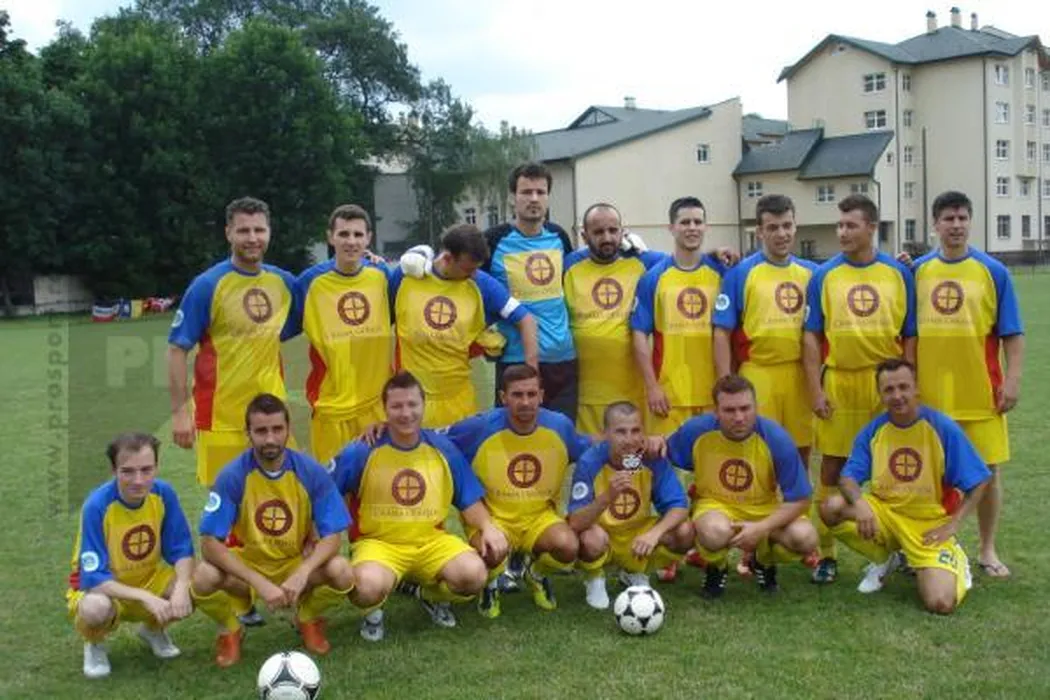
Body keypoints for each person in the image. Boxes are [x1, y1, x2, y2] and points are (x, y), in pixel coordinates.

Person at [328, 371, 505, 641]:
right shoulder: (362, 450)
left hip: (431, 542)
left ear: (424, 406)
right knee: (366, 588)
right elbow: (327, 494)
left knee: (474, 575)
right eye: (397, 406)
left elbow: (469, 501)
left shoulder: (444, 448)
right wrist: (319, 537)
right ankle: (373, 614)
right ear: (384, 409)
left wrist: (488, 527)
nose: (406, 413)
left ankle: (429, 595)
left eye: (412, 404)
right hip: (379, 544)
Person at [803, 194, 916, 584]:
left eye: (850, 225)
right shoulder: (824, 275)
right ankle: (827, 555)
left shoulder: (899, 273)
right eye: (839, 225)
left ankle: (901, 548)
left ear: (871, 227)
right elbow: (811, 336)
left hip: (885, 385)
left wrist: (909, 383)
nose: (842, 232)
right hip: (840, 381)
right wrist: (815, 390)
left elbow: (911, 334)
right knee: (832, 467)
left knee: (892, 468)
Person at [191, 394, 354, 664]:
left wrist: (302, 572)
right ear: (248, 434)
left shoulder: (311, 471)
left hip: (293, 563)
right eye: (261, 431)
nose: (270, 439)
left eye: (277, 429)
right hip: (249, 567)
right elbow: (209, 543)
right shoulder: (232, 476)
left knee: (343, 571)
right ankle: (231, 629)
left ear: (288, 430)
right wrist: (259, 583)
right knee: (203, 576)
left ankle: (307, 618)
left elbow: (333, 537)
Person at [819, 359, 991, 614]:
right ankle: (885, 557)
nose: (897, 396)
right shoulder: (874, 430)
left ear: (916, 388)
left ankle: (954, 562)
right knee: (831, 507)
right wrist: (860, 504)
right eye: (888, 390)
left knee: (940, 603)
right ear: (880, 395)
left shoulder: (941, 427)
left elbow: (979, 481)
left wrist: (954, 524)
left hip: (927, 525)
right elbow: (847, 478)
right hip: (886, 515)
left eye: (903, 387)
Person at [913, 191, 1025, 579]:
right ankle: (925, 545)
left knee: (988, 473)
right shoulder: (917, 271)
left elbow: (1012, 334)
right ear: (935, 224)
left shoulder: (994, 271)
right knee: (928, 475)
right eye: (948, 218)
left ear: (970, 221)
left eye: (962, 218)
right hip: (930, 395)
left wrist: (1012, 380)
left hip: (981, 392)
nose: (956, 225)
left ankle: (987, 549)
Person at [713, 194, 819, 578]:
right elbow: (721, 331)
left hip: (800, 375)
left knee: (800, 457)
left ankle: (798, 534)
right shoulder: (741, 273)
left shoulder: (812, 274)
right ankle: (750, 546)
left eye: (787, 225)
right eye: (772, 227)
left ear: (796, 226)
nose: (781, 234)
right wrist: (725, 382)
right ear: (759, 231)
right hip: (758, 373)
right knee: (760, 461)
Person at [167, 196, 300, 487]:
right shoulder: (207, 285)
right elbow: (177, 349)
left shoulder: (285, 283)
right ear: (228, 233)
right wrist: (179, 413)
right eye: (243, 231)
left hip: (273, 419)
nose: (252, 238)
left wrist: (369, 262)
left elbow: (327, 288)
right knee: (226, 503)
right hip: (221, 421)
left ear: (269, 232)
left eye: (259, 230)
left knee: (279, 498)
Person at [443, 364, 592, 617]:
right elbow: (433, 440)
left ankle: (536, 573)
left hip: (539, 518)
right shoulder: (480, 427)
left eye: (531, 394)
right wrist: (386, 431)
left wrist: (633, 441)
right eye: (517, 395)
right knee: (491, 551)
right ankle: (490, 584)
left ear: (541, 396)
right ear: (503, 397)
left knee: (568, 546)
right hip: (493, 520)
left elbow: (591, 450)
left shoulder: (559, 426)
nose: (525, 402)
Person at [666, 375, 817, 598]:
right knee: (714, 532)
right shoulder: (696, 431)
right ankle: (716, 567)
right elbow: (662, 456)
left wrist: (762, 527)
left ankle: (762, 561)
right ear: (716, 411)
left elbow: (800, 499)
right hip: (714, 506)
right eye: (729, 410)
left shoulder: (776, 438)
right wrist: (655, 443)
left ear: (756, 407)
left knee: (805, 537)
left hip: (763, 508)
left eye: (745, 408)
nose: (739, 417)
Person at [66, 433, 198, 678]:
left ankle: (153, 630)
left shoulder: (164, 494)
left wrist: (181, 586)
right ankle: (94, 643)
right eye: (128, 471)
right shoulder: (97, 506)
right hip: (105, 588)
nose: (139, 480)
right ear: (113, 470)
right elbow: (94, 579)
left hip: (147, 578)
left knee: (196, 584)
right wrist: (145, 597)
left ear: (157, 467)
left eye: (146, 470)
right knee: (95, 608)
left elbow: (181, 550)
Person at [391, 223, 538, 429]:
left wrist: (532, 375)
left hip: (459, 401)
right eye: (468, 269)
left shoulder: (481, 284)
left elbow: (526, 320)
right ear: (447, 258)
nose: (473, 274)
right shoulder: (406, 276)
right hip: (412, 401)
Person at [568, 402, 693, 609]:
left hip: (636, 534)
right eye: (621, 432)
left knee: (685, 531)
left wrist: (654, 534)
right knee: (590, 538)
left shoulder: (651, 458)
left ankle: (635, 571)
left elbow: (679, 507)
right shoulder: (590, 461)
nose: (629, 439)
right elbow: (575, 522)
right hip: (604, 536)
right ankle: (594, 577)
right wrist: (607, 497)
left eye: (635, 431)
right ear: (605, 433)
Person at [297, 204, 395, 464]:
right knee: (334, 485)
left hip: (377, 406)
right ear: (330, 237)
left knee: (377, 482)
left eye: (358, 234)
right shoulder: (309, 283)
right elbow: (278, 329)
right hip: (332, 409)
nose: (351, 241)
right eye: (343, 234)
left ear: (368, 238)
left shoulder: (382, 276)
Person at [483, 162, 580, 421]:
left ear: (548, 197)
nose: (534, 199)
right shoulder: (493, 240)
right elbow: (464, 277)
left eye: (541, 192)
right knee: (514, 436)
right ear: (513, 197)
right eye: (526, 192)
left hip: (562, 358)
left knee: (560, 437)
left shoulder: (559, 236)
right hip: (515, 361)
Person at [564, 203, 666, 435]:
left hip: (632, 392)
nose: (607, 238)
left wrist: (714, 255)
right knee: (592, 454)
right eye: (598, 232)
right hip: (586, 396)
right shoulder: (569, 265)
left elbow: (683, 262)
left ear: (623, 232)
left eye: (613, 230)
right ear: (584, 236)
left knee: (631, 453)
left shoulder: (644, 263)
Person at [631, 196, 727, 435]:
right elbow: (639, 335)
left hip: (713, 394)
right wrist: (652, 387)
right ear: (671, 228)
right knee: (667, 457)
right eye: (685, 222)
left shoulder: (723, 274)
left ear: (706, 227)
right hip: (668, 396)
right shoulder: (653, 278)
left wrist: (726, 388)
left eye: (698, 222)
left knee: (710, 458)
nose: (692, 228)